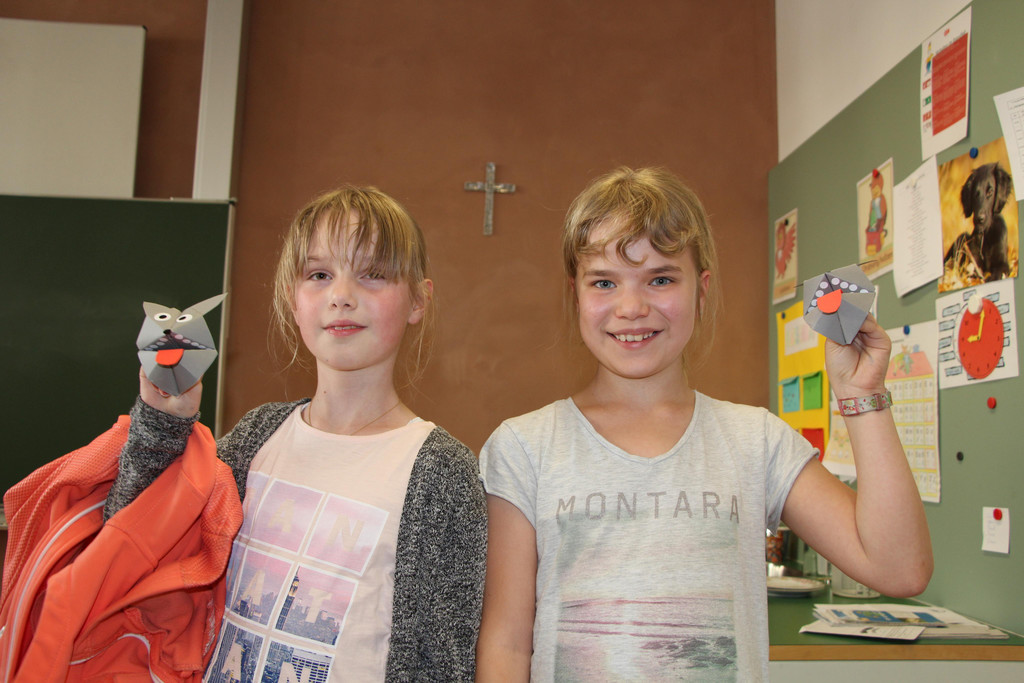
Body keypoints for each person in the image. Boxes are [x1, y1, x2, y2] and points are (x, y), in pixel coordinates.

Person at [475, 167, 932, 681]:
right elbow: (507, 643)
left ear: (701, 289)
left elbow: (900, 569)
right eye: (604, 282)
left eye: (661, 279)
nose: (632, 307)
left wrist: (861, 395)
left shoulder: (755, 440)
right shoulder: (524, 447)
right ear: (575, 294)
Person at [110, 187, 487, 681]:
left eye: (373, 273)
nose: (342, 295)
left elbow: (443, 664)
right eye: (319, 275)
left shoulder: (442, 472)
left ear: (418, 299)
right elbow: (131, 545)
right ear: (293, 299)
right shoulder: (256, 437)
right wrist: (163, 421)